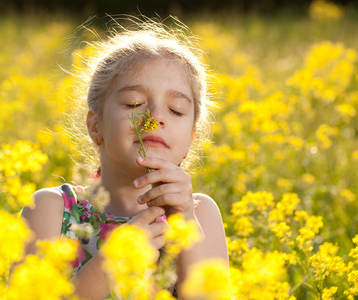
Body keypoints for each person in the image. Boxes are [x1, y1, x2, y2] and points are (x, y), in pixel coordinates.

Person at [21, 17, 229, 299]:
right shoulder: (51, 210)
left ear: (190, 140)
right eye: (134, 104)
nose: (155, 118)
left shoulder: (200, 214)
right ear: (96, 126)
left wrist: (185, 223)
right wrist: (116, 258)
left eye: (176, 110)